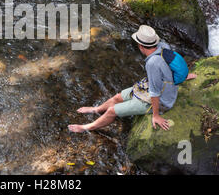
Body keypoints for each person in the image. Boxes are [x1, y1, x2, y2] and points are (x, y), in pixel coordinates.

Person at [68, 25, 196, 133]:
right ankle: (96, 109)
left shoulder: (152, 63)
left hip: (162, 100)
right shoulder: (163, 46)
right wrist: (184, 76)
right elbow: (173, 66)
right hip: (157, 86)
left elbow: (155, 92)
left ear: (141, 46)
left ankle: (86, 127)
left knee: (112, 111)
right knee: (118, 97)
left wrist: (156, 115)